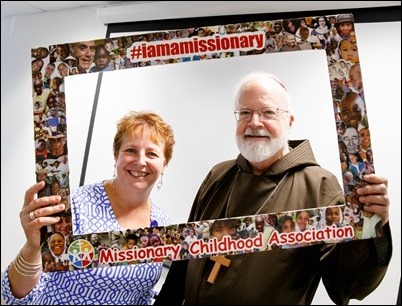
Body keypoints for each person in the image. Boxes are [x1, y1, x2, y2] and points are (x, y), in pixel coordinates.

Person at [154, 72, 391, 305]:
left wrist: (372, 222)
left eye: (268, 112)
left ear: (289, 121)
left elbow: (348, 282)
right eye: (245, 113)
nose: (254, 122)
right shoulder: (219, 175)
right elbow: (184, 258)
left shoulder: (319, 187)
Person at [1, 111, 176, 304]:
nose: (140, 161)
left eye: (152, 153)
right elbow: (17, 293)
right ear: (116, 155)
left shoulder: (163, 223)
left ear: (164, 164)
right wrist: (32, 248)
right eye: (131, 150)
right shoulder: (74, 206)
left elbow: (143, 294)